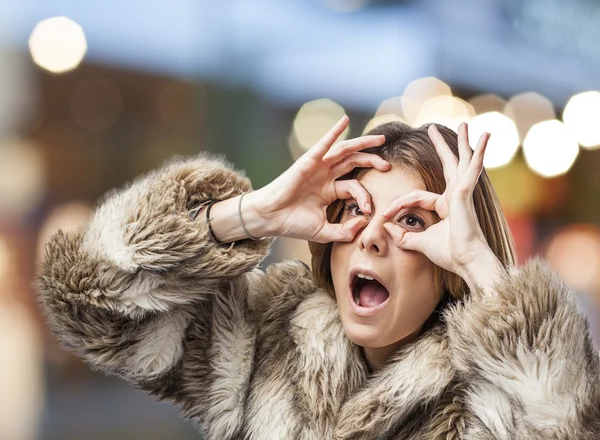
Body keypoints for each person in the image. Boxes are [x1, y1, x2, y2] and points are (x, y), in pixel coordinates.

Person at [39, 116, 600, 439]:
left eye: (411, 220)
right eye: (356, 208)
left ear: (448, 263)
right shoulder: (267, 342)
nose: (373, 235)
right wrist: (247, 215)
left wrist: (482, 266)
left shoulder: (495, 398)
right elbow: (88, 299)